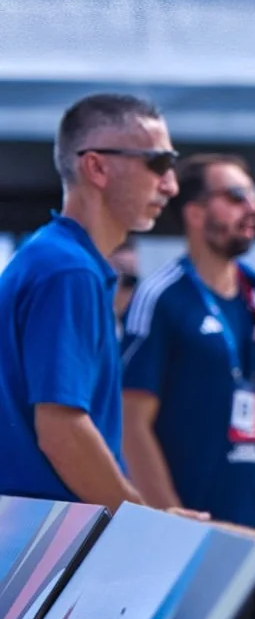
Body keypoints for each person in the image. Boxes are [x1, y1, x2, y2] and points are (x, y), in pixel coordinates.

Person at [0, 94, 179, 507]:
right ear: (97, 166)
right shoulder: (68, 271)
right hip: (45, 542)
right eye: (157, 163)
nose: (170, 184)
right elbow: (62, 433)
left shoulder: (56, 259)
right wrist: (140, 520)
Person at [121, 154, 255, 528]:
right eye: (236, 196)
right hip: (180, 523)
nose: (252, 207)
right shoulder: (162, 296)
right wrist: (170, 519)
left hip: (243, 517)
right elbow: (130, 422)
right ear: (196, 213)